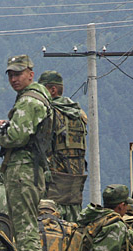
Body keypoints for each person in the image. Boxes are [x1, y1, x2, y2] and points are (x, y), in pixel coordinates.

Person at [0, 54, 53, 251]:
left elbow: (16, 136)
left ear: (31, 73)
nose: (14, 78)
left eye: (18, 73)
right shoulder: (38, 98)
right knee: (27, 221)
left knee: (23, 223)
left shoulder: (29, 101)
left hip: (23, 169)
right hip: (32, 168)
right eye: (10, 74)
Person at [38, 70, 88, 222]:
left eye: (42, 90)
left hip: (53, 191)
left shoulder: (49, 113)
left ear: (52, 90)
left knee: (51, 235)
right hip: (74, 189)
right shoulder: (79, 115)